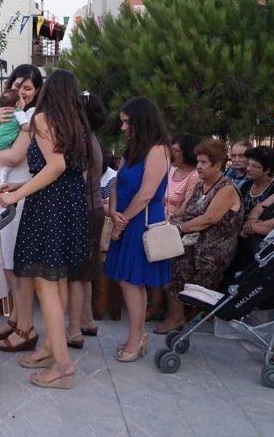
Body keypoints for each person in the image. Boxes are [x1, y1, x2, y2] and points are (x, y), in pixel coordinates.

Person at [0, 69, 92, 389]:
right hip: (70, 206)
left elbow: (55, 167)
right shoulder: (76, 124)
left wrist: (17, 194)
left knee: (45, 285)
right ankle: (52, 348)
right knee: (59, 280)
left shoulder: (42, 119)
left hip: (49, 209)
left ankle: (63, 367)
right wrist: (21, 184)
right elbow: (67, 172)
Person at [0, 64, 43, 353]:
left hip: (17, 197)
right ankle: (15, 319)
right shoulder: (3, 114)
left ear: (36, 92)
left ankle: (26, 328)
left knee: (16, 266)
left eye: (28, 88)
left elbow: (15, 156)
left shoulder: (31, 117)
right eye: (17, 85)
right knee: (8, 264)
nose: (21, 92)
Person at [103, 96, 171, 363]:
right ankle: (138, 335)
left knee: (131, 281)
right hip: (127, 219)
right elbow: (118, 184)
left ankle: (136, 337)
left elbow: (146, 194)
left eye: (127, 122)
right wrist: (113, 212)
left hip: (140, 221)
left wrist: (122, 220)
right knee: (128, 281)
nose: (123, 127)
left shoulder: (158, 150)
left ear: (141, 121)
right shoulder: (133, 149)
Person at [160, 139, 244, 334]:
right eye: (198, 161)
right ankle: (176, 315)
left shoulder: (226, 188)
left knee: (177, 260)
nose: (198, 166)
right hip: (193, 241)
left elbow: (209, 219)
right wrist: (168, 224)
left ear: (218, 164)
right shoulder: (200, 185)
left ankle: (183, 317)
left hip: (213, 247)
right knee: (167, 256)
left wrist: (179, 228)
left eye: (204, 162)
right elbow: (184, 210)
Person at [145, 132, 201, 323]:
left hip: (177, 226)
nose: (172, 153)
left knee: (163, 257)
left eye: (176, 150)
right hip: (160, 222)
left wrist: (166, 224)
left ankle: (170, 311)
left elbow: (187, 206)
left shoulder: (194, 176)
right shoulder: (170, 171)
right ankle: (156, 304)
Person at [66, 91, 106, 349]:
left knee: (75, 275)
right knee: (86, 270)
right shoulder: (93, 140)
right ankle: (87, 321)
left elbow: (76, 183)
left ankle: (73, 332)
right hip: (94, 209)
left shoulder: (80, 142)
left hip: (82, 211)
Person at [239, 147, 274, 215]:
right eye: (248, 164)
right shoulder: (246, 185)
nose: (248, 169)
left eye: (254, 166)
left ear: (267, 170)